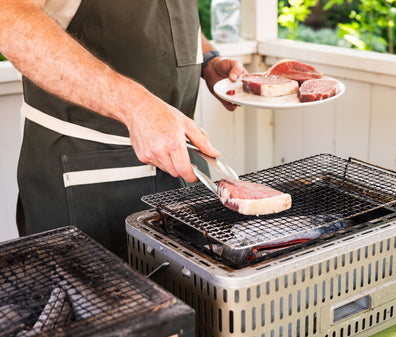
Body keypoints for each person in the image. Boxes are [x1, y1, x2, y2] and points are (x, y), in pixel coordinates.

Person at [0, 0, 246, 259]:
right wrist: (134, 106)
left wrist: (208, 58)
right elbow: (8, 17)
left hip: (183, 167)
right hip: (85, 174)